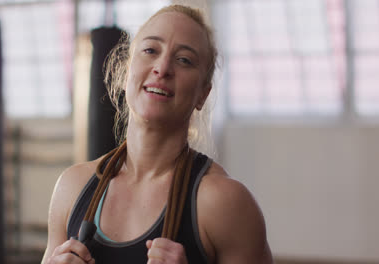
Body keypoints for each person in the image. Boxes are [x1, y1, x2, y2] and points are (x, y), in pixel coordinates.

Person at [42, 4, 272, 264]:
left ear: (202, 94)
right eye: (150, 50)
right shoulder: (72, 188)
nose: (162, 68)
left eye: (184, 60)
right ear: (126, 71)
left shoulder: (224, 204)